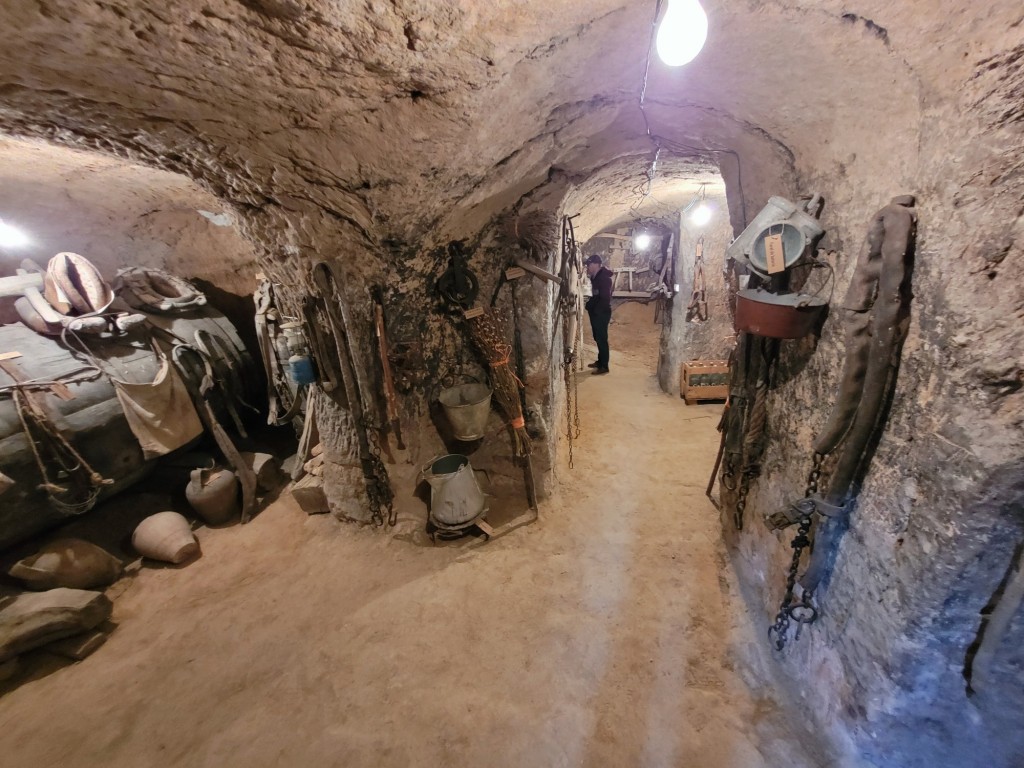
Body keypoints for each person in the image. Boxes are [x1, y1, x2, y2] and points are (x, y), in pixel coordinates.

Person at [584, 254, 613, 375]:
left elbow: (605, 298)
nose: (587, 267)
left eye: (589, 264)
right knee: (598, 337)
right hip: (596, 312)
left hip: (601, 313)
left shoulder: (604, 278)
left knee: (601, 339)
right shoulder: (594, 277)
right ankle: (600, 361)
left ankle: (604, 366)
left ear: (596, 264)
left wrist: (596, 311)